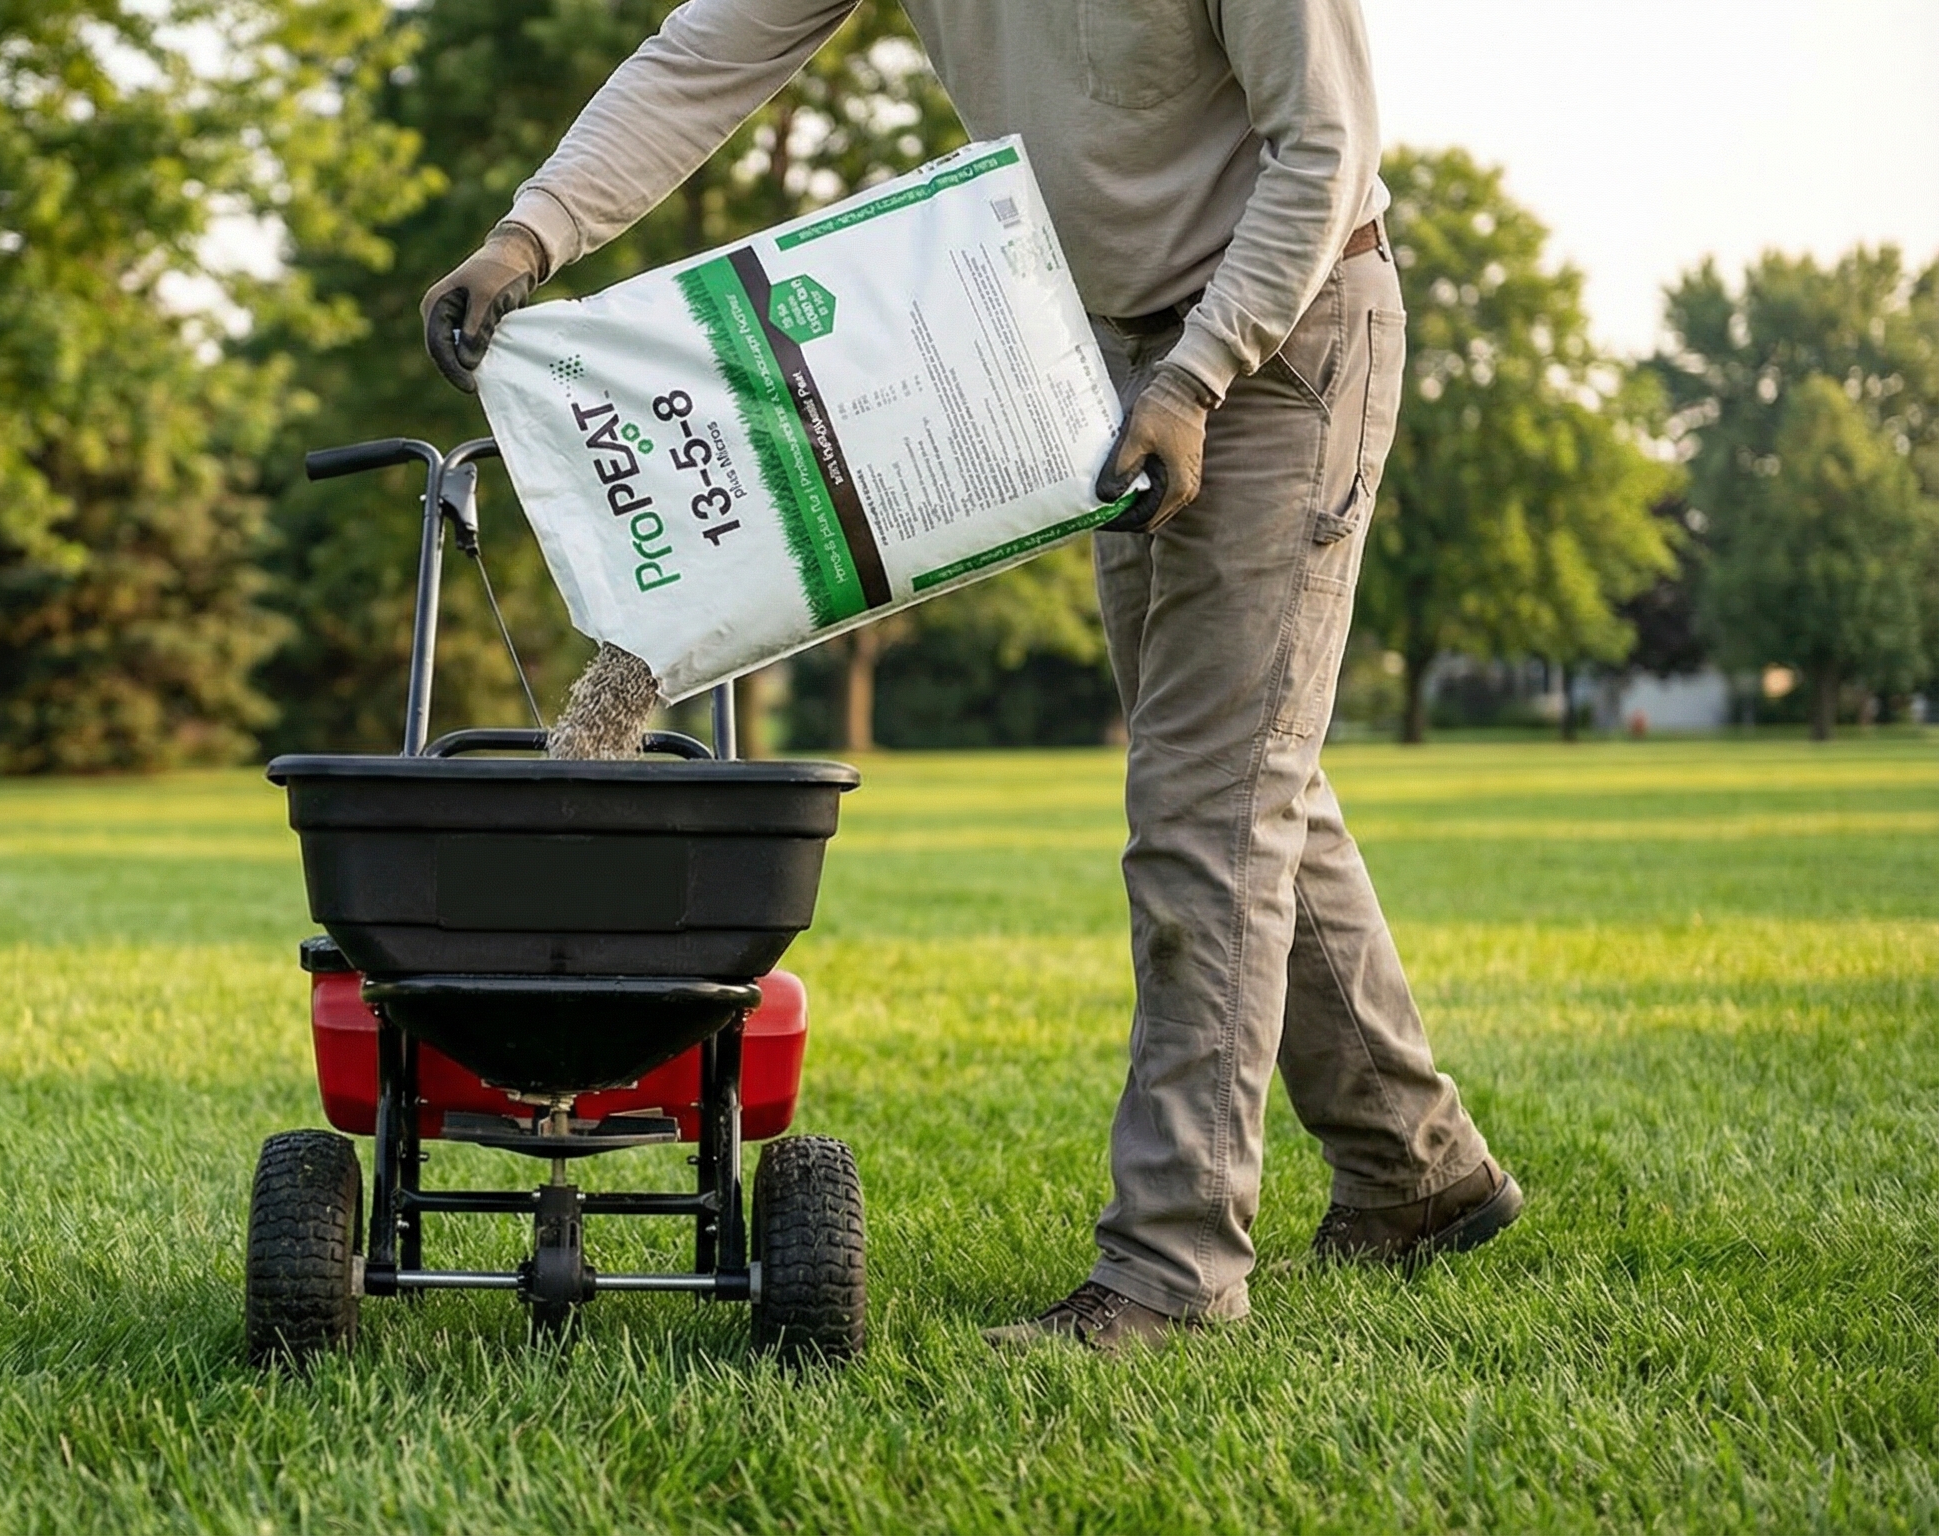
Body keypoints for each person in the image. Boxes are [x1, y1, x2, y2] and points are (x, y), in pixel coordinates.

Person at [420, 0, 1522, 1350]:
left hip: (1284, 341)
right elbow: (706, 55)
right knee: (1238, 783)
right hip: (1099, 357)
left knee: (1209, 810)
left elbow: (1326, 150)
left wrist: (1196, 377)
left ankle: (1174, 1274)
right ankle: (1418, 1168)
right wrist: (532, 233)